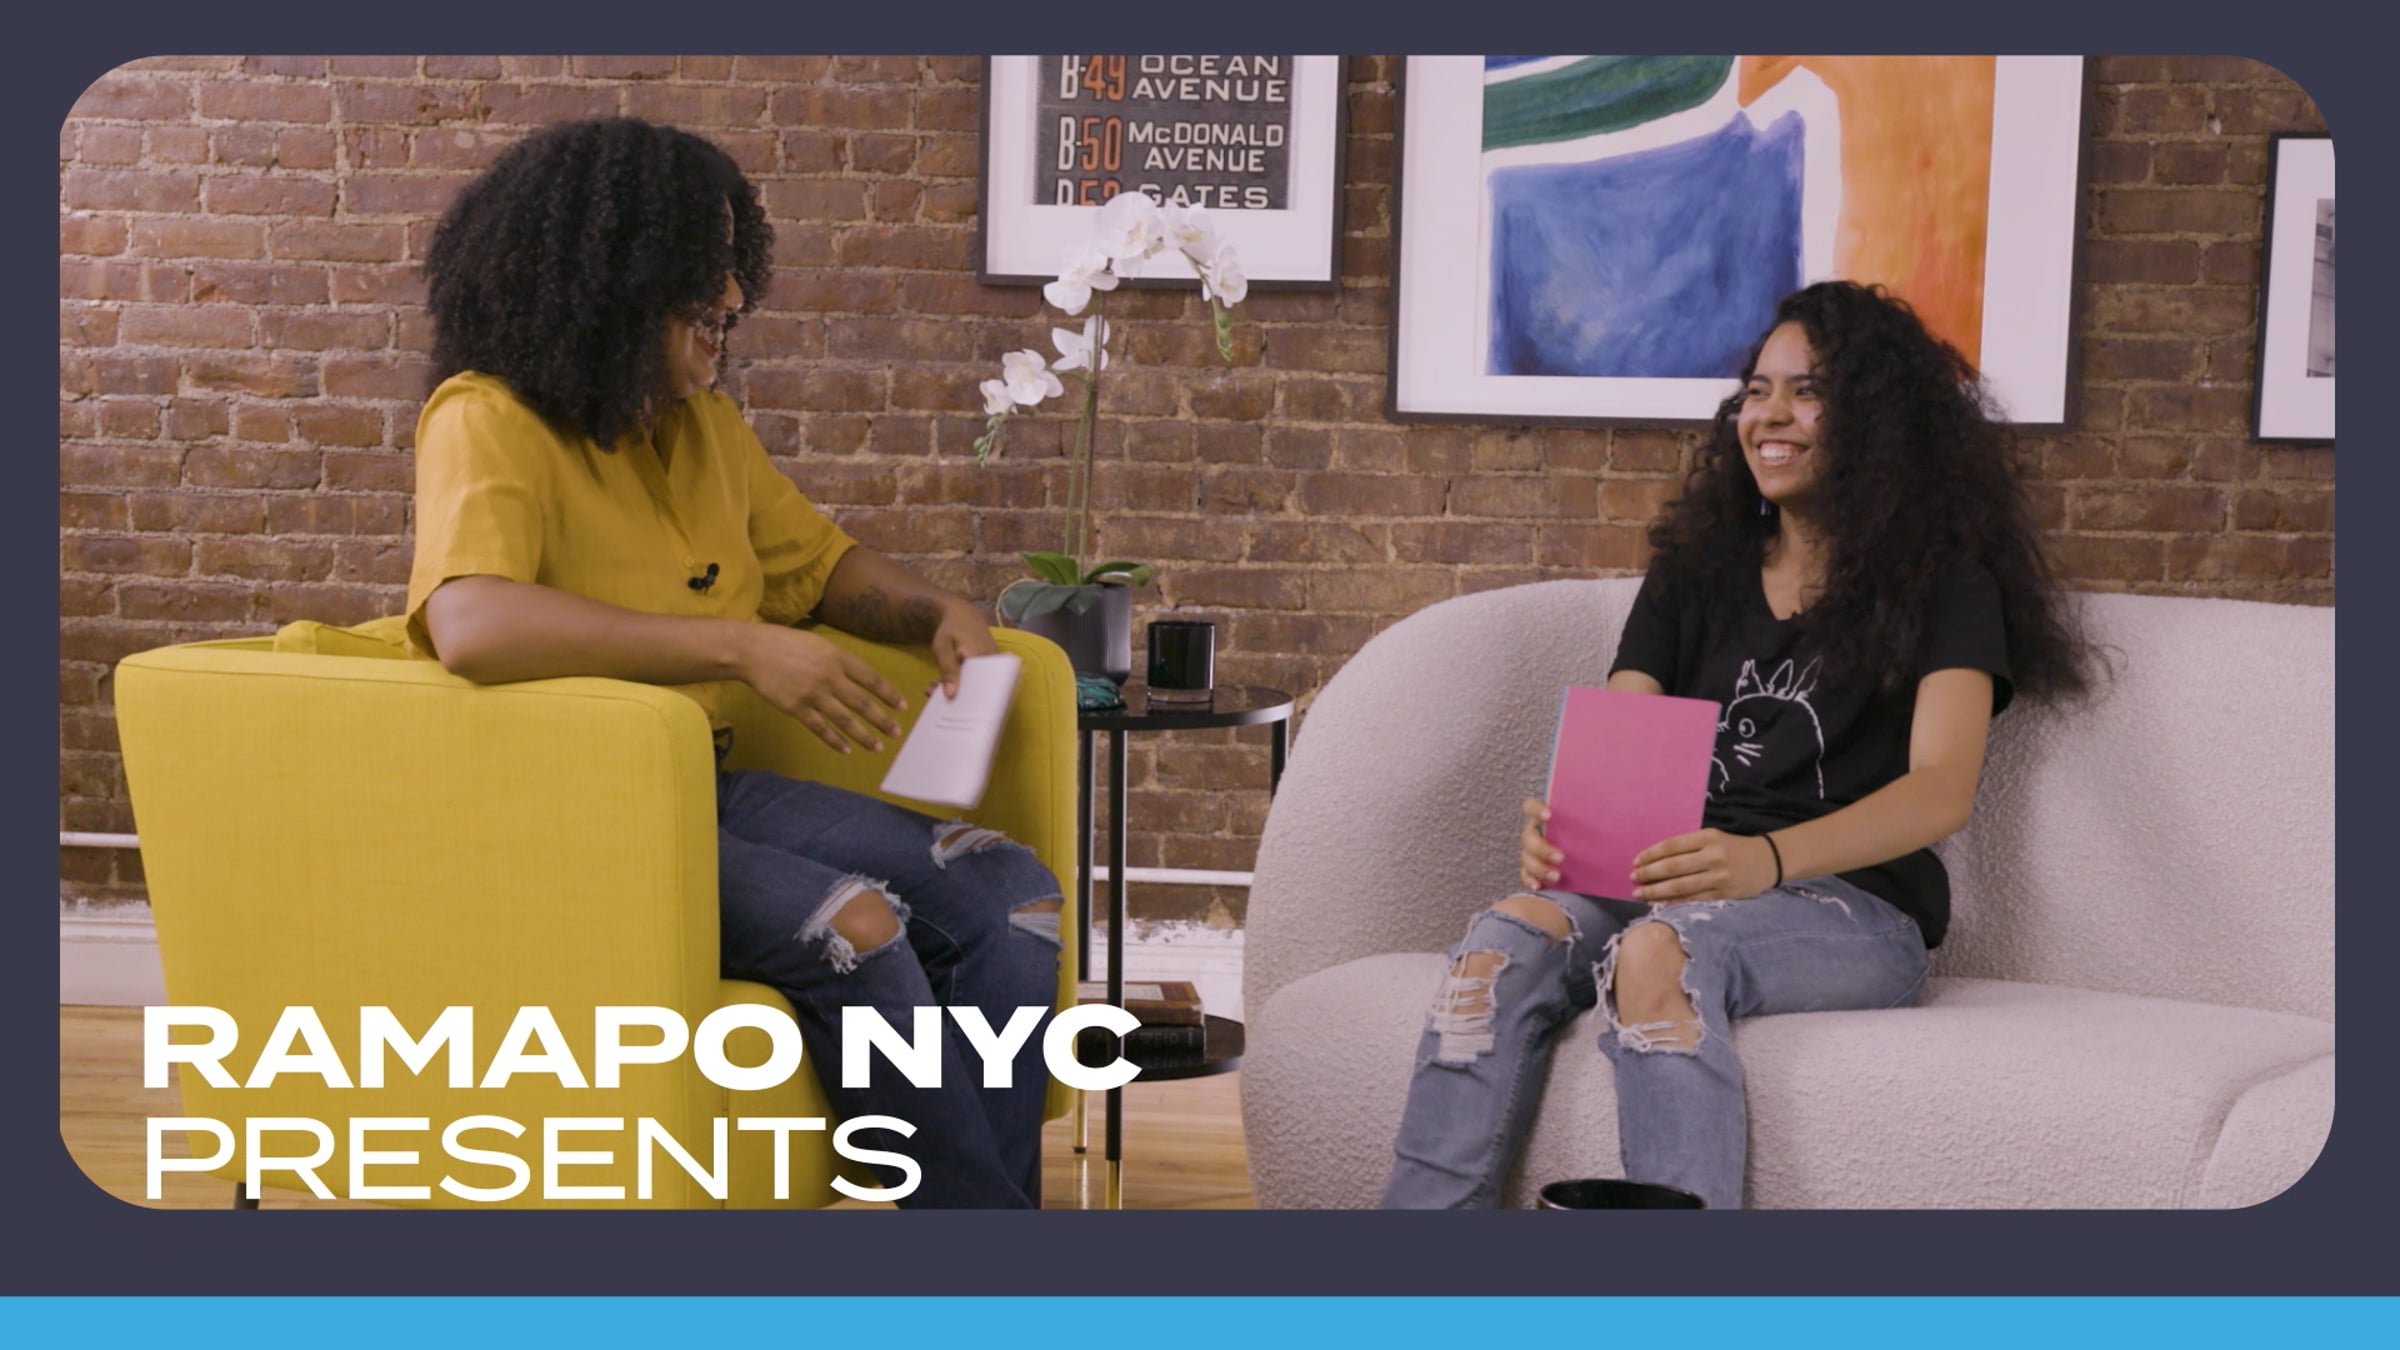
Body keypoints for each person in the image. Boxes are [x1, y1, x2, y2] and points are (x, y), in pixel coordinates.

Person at [406, 118, 1062, 1209]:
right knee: (855, 924)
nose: (733, 294)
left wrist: (932, 610)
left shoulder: (704, 426)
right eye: (701, 266)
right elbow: (472, 619)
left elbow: (818, 568)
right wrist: (737, 645)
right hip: (562, 814)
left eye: (732, 262)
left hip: (699, 788)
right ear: (617, 276)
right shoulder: (485, 417)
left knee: (1010, 894)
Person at [1380, 280, 2097, 1210]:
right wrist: (1566, 826)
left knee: (1659, 954)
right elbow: (1624, 736)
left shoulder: (1947, 584)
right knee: (1498, 947)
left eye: (1809, 391)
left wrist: (1766, 859)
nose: (1771, 415)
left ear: (1880, 422)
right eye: (1758, 391)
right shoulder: (1699, 570)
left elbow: (1940, 791)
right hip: (1676, 875)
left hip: (1853, 906)